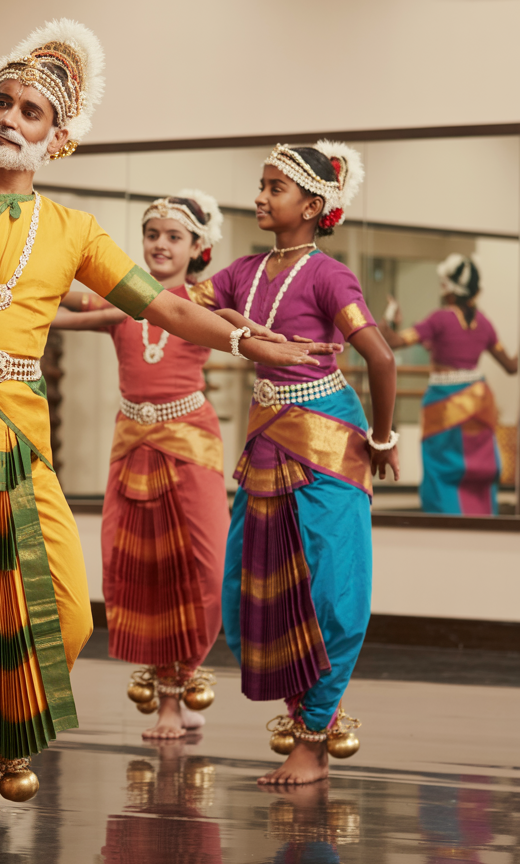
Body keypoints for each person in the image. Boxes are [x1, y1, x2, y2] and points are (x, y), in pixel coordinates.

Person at [0, 20, 334, 838]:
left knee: (65, 615)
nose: (9, 117)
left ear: (60, 137)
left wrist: (247, 339)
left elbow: (166, 305)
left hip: (15, 433)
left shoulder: (74, 229)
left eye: (31, 110)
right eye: (2, 100)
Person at [191, 140, 399, 785]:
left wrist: (385, 441)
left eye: (275, 187)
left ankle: (312, 737)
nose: (259, 196)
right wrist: (239, 325)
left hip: (329, 440)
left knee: (334, 595)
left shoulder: (329, 275)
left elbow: (382, 357)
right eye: (261, 184)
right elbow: (189, 304)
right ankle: (300, 715)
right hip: (267, 441)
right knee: (249, 590)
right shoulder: (244, 271)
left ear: (313, 205)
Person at [52, 191, 229, 739]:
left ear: (198, 246)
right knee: (140, 571)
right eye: (152, 234)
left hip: (191, 443)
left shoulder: (204, 299)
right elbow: (58, 307)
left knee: (203, 569)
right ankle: (167, 703)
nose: (159, 245)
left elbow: (246, 329)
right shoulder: (124, 302)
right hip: (131, 444)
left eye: (174, 236)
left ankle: (186, 678)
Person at [380, 254, 518, 514]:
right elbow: (512, 366)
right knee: (480, 468)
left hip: (443, 404)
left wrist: (389, 317)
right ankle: (484, 519)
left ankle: (444, 521)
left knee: (441, 466)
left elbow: (394, 342)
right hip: (480, 401)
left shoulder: (440, 319)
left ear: (448, 288)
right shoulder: (484, 323)